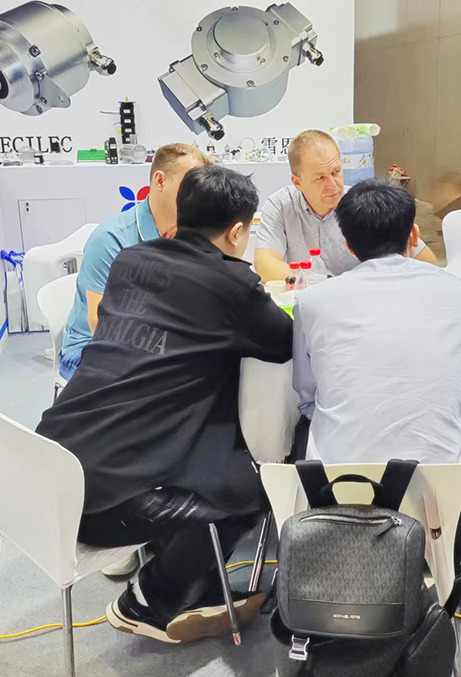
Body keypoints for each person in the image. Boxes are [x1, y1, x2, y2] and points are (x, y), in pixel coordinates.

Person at [36, 165, 293, 643]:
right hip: (99, 501)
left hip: (48, 461)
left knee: (206, 455)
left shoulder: (130, 259)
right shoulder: (230, 284)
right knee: (254, 492)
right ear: (237, 231)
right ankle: (150, 600)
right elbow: (283, 342)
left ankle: (193, 578)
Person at [292, 180, 461, 621]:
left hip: (336, 506)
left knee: (309, 424)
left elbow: (307, 396)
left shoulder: (312, 301)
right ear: (413, 235)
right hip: (450, 516)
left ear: (347, 244)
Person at [60, 143, 210, 381]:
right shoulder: (110, 239)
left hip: (154, 344)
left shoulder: (191, 233)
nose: (199, 195)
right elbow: (99, 324)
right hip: (90, 349)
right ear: (160, 181)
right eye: (191, 184)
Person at [254, 129, 438, 282]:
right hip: (306, 297)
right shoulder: (281, 205)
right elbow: (265, 264)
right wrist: (317, 286)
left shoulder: (362, 203)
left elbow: (429, 264)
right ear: (297, 182)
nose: (333, 185)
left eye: (336, 172)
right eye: (320, 178)